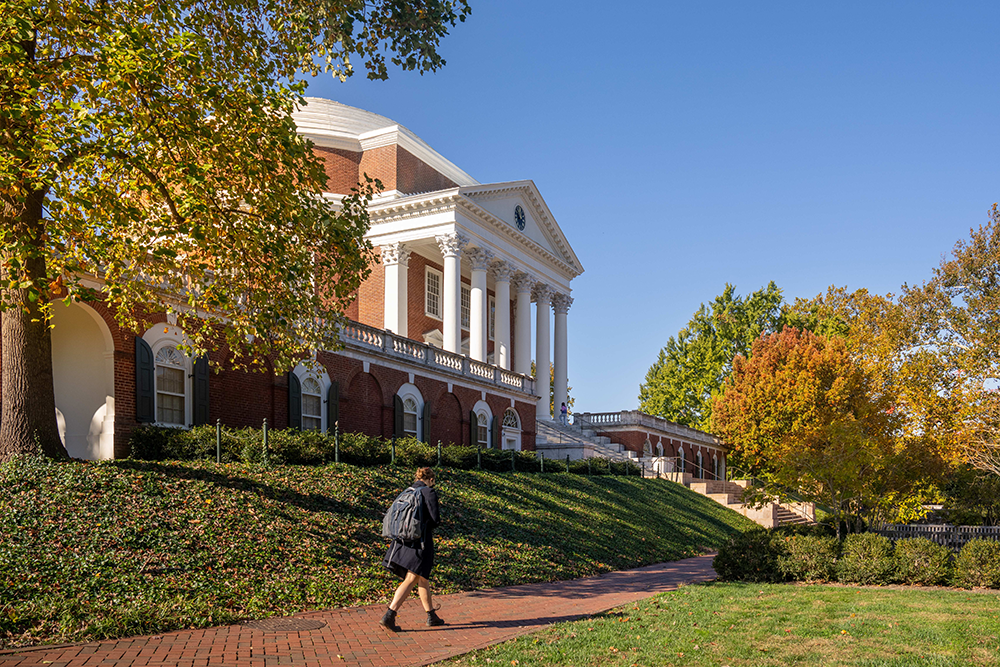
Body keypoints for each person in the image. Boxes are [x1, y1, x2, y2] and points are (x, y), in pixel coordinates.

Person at [380, 467, 443, 631]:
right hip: (420, 541)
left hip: (403, 540)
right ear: (431, 480)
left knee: (422, 577)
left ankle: (431, 615)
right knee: (412, 577)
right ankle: (390, 614)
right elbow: (435, 519)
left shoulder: (407, 491)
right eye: (433, 481)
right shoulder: (428, 492)